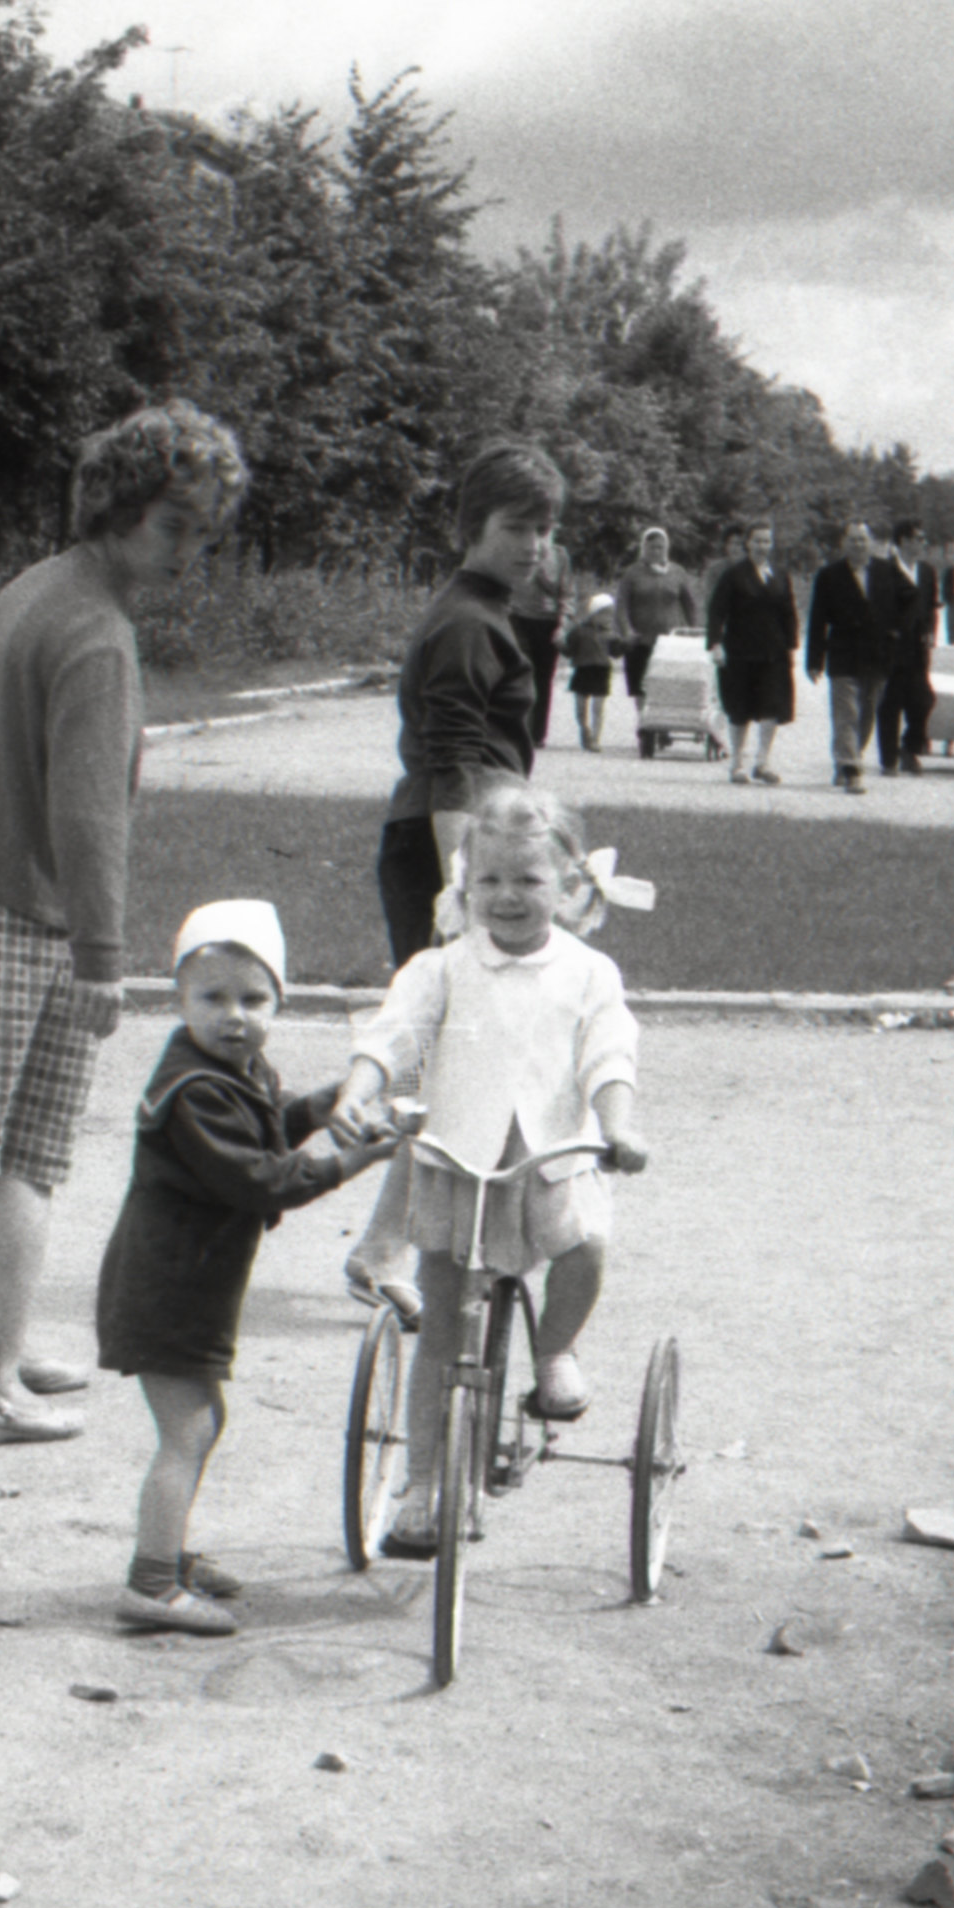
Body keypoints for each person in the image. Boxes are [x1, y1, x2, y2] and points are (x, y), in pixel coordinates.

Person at [0, 399, 248, 1444]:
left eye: (202, 534)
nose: (188, 553)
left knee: (7, 1154)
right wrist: (103, 958)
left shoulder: (35, 589)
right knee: (26, 1158)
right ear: (118, 506)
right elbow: (87, 813)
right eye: (173, 527)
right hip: (22, 916)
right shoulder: (95, 634)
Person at [330, 783, 651, 1558]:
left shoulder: (587, 973)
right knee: (443, 1322)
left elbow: (609, 1054)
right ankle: (424, 1485)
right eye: (491, 881)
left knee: (585, 1247)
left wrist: (615, 1126)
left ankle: (554, 1351)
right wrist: (357, 1090)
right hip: (459, 1162)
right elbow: (393, 1034)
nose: (507, 898)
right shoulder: (441, 969)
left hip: (549, 1157)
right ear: (464, 885)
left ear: (568, 888)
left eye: (529, 881)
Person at [95, 901, 395, 1635]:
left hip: (188, 1281)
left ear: (279, 1000)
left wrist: (319, 1107)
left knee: (202, 1422)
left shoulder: (227, 1069)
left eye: (254, 999)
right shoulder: (194, 1090)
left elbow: (264, 1123)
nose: (235, 1016)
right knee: (186, 1431)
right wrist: (350, 1159)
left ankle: (168, 1554)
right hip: (166, 1287)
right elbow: (259, 1178)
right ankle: (150, 1584)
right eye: (212, 998)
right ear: (179, 1000)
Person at [348, 439, 570, 1325]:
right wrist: (460, 898)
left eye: (545, 529)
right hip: (444, 851)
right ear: (472, 525)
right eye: (516, 526)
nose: (533, 546)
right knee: (451, 1062)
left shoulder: (484, 613)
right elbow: (450, 768)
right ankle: (384, 1249)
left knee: (463, 1061)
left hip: (471, 851)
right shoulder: (466, 624)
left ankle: (387, 1245)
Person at [706, 519, 798, 785]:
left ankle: (762, 762)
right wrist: (716, 644)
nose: (762, 546)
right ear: (747, 544)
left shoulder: (780, 575)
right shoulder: (734, 575)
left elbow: (789, 613)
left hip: (773, 654)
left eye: (766, 541)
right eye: (757, 541)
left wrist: (791, 647)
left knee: (771, 708)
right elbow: (716, 612)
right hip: (740, 653)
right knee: (740, 709)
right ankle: (737, 764)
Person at [803, 520, 892, 793]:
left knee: (866, 716)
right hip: (843, 656)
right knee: (846, 715)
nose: (858, 544)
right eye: (852, 539)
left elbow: (899, 615)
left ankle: (847, 760)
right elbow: (817, 620)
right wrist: (813, 660)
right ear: (844, 544)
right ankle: (851, 768)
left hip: (876, 657)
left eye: (863, 539)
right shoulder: (829, 575)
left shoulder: (887, 572)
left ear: (871, 542)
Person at [610, 528, 700, 721]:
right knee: (640, 686)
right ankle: (645, 723)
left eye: (660, 547)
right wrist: (626, 631)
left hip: (670, 642)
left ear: (667, 548)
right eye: (651, 548)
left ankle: (663, 721)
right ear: (644, 548)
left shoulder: (677, 572)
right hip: (640, 640)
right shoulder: (632, 574)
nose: (656, 552)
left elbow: (690, 605)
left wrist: (694, 633)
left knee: (666, 684)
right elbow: (621, 606)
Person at [877, 519, 940, 774]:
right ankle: (889, 759)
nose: (922, 543)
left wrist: (930, 633)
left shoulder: (926, 571)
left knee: (923, 699)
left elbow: (931, 606)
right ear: (903, 540)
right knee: (891, 703)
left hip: (918, 648)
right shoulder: (884, 570)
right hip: (892, 647)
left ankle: (910, 747)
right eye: (918, 538)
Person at [508, 528, 572, 753]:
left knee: (543, 679)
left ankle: (537, 734)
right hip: (518, 618)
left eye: (545, 530)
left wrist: (563, 625)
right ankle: (517, 729)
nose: (540, 535)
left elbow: (566, 592)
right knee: (522, 672)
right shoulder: (520, 550)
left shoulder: (560, 555)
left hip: (548, 622)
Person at [561, 591, 620, 751]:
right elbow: (569, 651)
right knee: (581, 706)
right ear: (594, 613)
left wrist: (628, 643)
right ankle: (584, 729)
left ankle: (595, 738)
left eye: (610, 615)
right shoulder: (579, 631)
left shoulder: (610, 634)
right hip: (582, 668)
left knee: (598, 707)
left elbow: (616, 652)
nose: (608, 618)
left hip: (602, 669)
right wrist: (558, 643)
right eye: (605, 614)